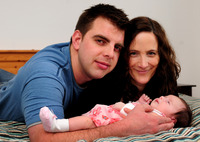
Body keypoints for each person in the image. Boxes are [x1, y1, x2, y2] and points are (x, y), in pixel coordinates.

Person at [0, 5, 174, 142]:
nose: (109, 53)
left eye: (117, 47)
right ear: (77, 40)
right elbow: (43, 138)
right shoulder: (47, 74)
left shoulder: (104, 69)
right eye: (100, 41)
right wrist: (125, 128)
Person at [39, 94, 192, 132]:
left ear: (172, 119)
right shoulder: (153, 112)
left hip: (107, 119)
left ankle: (56, 125)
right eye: (165, 96)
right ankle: (58, 123)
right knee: (82, 120)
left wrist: (121, 106)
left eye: (168, 102)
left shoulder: (158, 119)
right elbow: (134, 108)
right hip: (106, 113)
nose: (162, 97)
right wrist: (139, 102)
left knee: (85, 122)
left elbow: (131, 113)